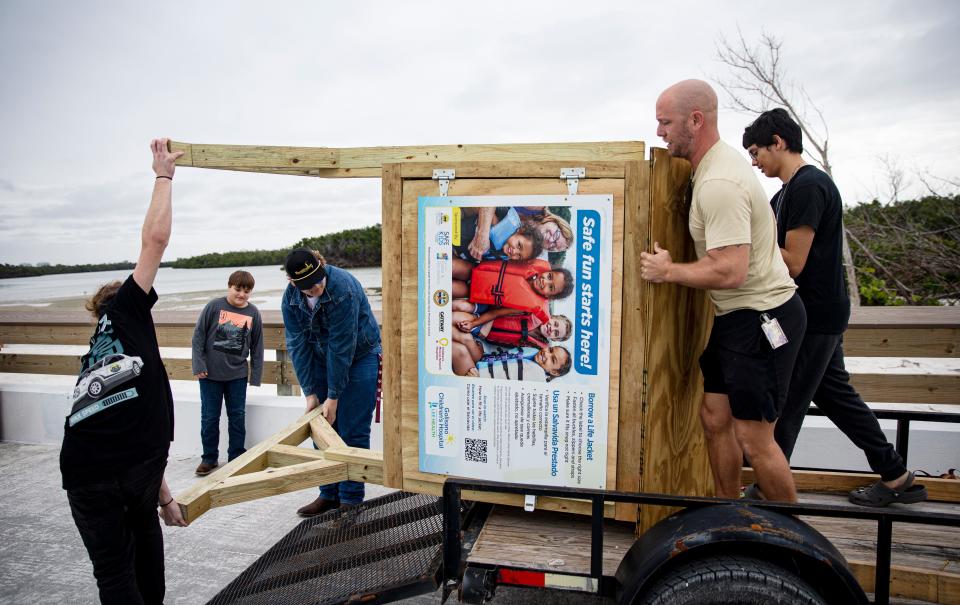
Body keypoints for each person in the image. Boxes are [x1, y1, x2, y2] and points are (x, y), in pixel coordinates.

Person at [742, 108, 928, 507]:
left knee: (787, 400)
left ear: (778, 142)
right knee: (834, 396)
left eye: (757, 151)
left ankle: (769, 495)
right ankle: (896, 475)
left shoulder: (810, 186)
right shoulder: (784, 193)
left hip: (813, 315)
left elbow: (793, 261)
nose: (753, 161)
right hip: (814, 313)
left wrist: (743, 250)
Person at [641, 80, 806, 503]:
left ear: (696, 120)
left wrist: (668, 270)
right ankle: (728, 510)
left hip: (762, 316)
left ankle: (793, 540)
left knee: (755, 436)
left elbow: (730, 271)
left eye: (666, 122)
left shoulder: (720, 183)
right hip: (736, 318)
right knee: (715, 416)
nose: (659, 131)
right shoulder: (711, 168)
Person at [61, 138, 187, 604]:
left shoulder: (98, 348)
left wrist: (165, 498)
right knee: (126, 578)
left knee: (130, 572)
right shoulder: (128, 308)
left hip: (99, 471)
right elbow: (155, 240)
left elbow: (125, 422)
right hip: (107, 475)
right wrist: (163, 176)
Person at [281, 248, 382, 517]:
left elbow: (342, 345)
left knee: (353, 429)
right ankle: (329, 494)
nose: (315, 287)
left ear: (321, 266)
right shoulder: (290, 298)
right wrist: (311, 393)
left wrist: (334, 396)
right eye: (306, 285)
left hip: (360, 355)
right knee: (322, 428)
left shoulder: (343, 288)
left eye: (317, 279)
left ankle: (351, 500)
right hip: (319, 359)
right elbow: (296, 343)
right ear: (292, 282)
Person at [191, 270, 264, 476]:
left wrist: (255, 377)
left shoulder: (253, 312)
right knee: (210, 418)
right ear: (229, 287)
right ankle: (209, 458)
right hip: (209, 375)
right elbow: (198, 337)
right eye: (237, 289)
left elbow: (258, 346)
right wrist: (198, 365)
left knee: (237, 417)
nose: (241, 294)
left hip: (238, 376)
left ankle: (236, 457)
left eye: (246, 291)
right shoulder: (214, 306)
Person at [451, 257, 574, 325]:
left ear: (549, 296)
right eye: (550, 276)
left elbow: (496, 314)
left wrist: (474, 323)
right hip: (474, 270)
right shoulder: (529, 263)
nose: (545, 281)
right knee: (451, 266)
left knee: (451, 288)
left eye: (550, 287)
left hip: (472, 292)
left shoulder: (526, 306)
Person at [460, 344, 572, 382]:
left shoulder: (536, 378)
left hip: (478, 378)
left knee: (460, 351)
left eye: (553, 359)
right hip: (483, 361)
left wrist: (480, 380)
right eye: (550, 350)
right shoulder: (533, 352)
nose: (546, 353)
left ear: (554, 372)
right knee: (463, 339)